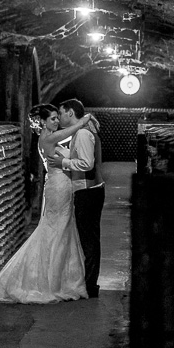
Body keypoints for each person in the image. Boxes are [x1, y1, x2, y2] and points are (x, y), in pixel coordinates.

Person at [0, 103, 95, 303]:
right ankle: (48, 282)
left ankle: (57, 279)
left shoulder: (50, 137)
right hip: (58, 186)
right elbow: (73, 130)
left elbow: (70, 134)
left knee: (61, 230)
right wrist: (84, 120)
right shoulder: (47, 138)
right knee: (55, 230)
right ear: (43, 122)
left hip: (61, 185)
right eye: (53, 118)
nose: (57, 121)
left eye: (58, 117)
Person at [47, 98, 104, 297]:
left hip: (88, 190)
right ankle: (88, 284)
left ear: (71, 113)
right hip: (89, 189)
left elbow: (86, 164)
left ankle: (90, 286)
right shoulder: (84, 131)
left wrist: (64, 162)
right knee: (88, 238)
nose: (60, 117)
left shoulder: (82, 133)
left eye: (61, 113)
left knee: (88, 239)